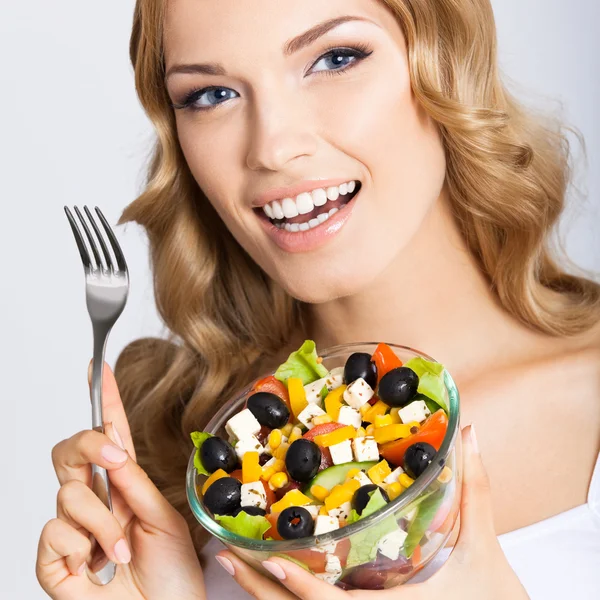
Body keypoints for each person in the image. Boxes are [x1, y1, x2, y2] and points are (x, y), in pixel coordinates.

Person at [36, 0, 600, 598]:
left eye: (336, 58)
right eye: (210, 95)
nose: (273, 148)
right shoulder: (184, 467)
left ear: (446, 63)